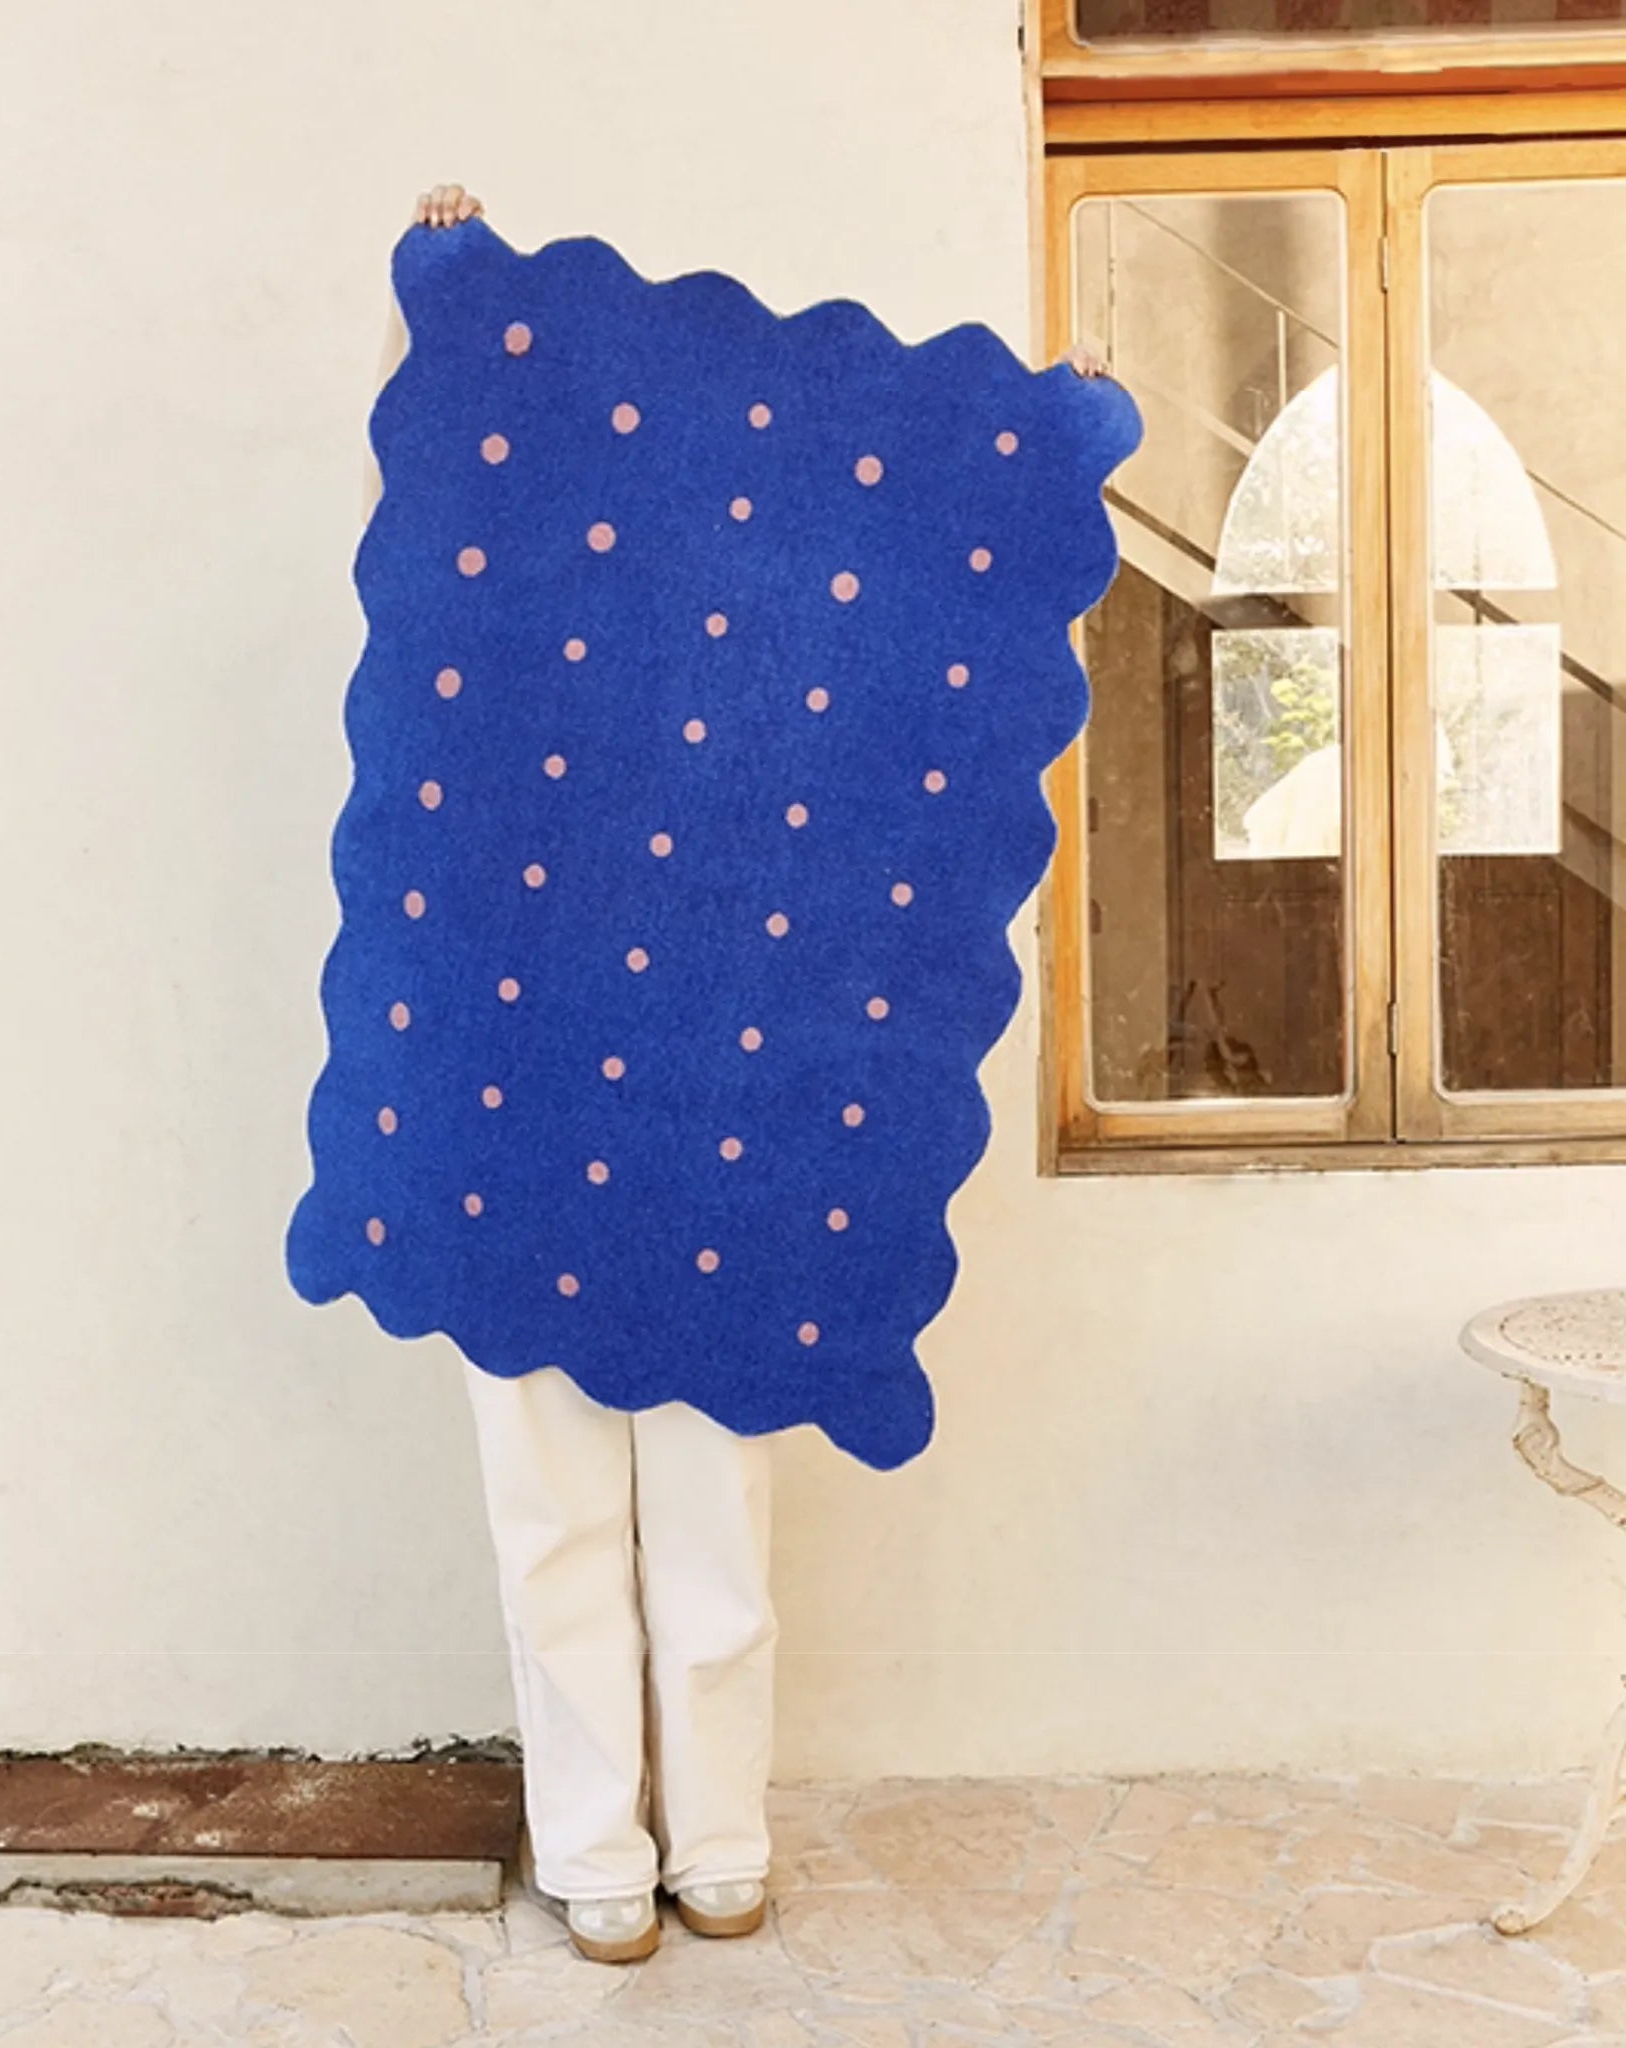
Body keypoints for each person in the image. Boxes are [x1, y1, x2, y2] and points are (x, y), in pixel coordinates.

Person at [407, 183, 1106, 1966]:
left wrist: (1030, 454)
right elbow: (436, 536)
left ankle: (716, 1834)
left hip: (717, 1119)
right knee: (552, 1506)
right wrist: (462, 293)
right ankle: (597, 1852)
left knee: (708, 1510)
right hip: (518, 1088)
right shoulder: (509, 641)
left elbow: (895, 618)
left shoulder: (749, 690)